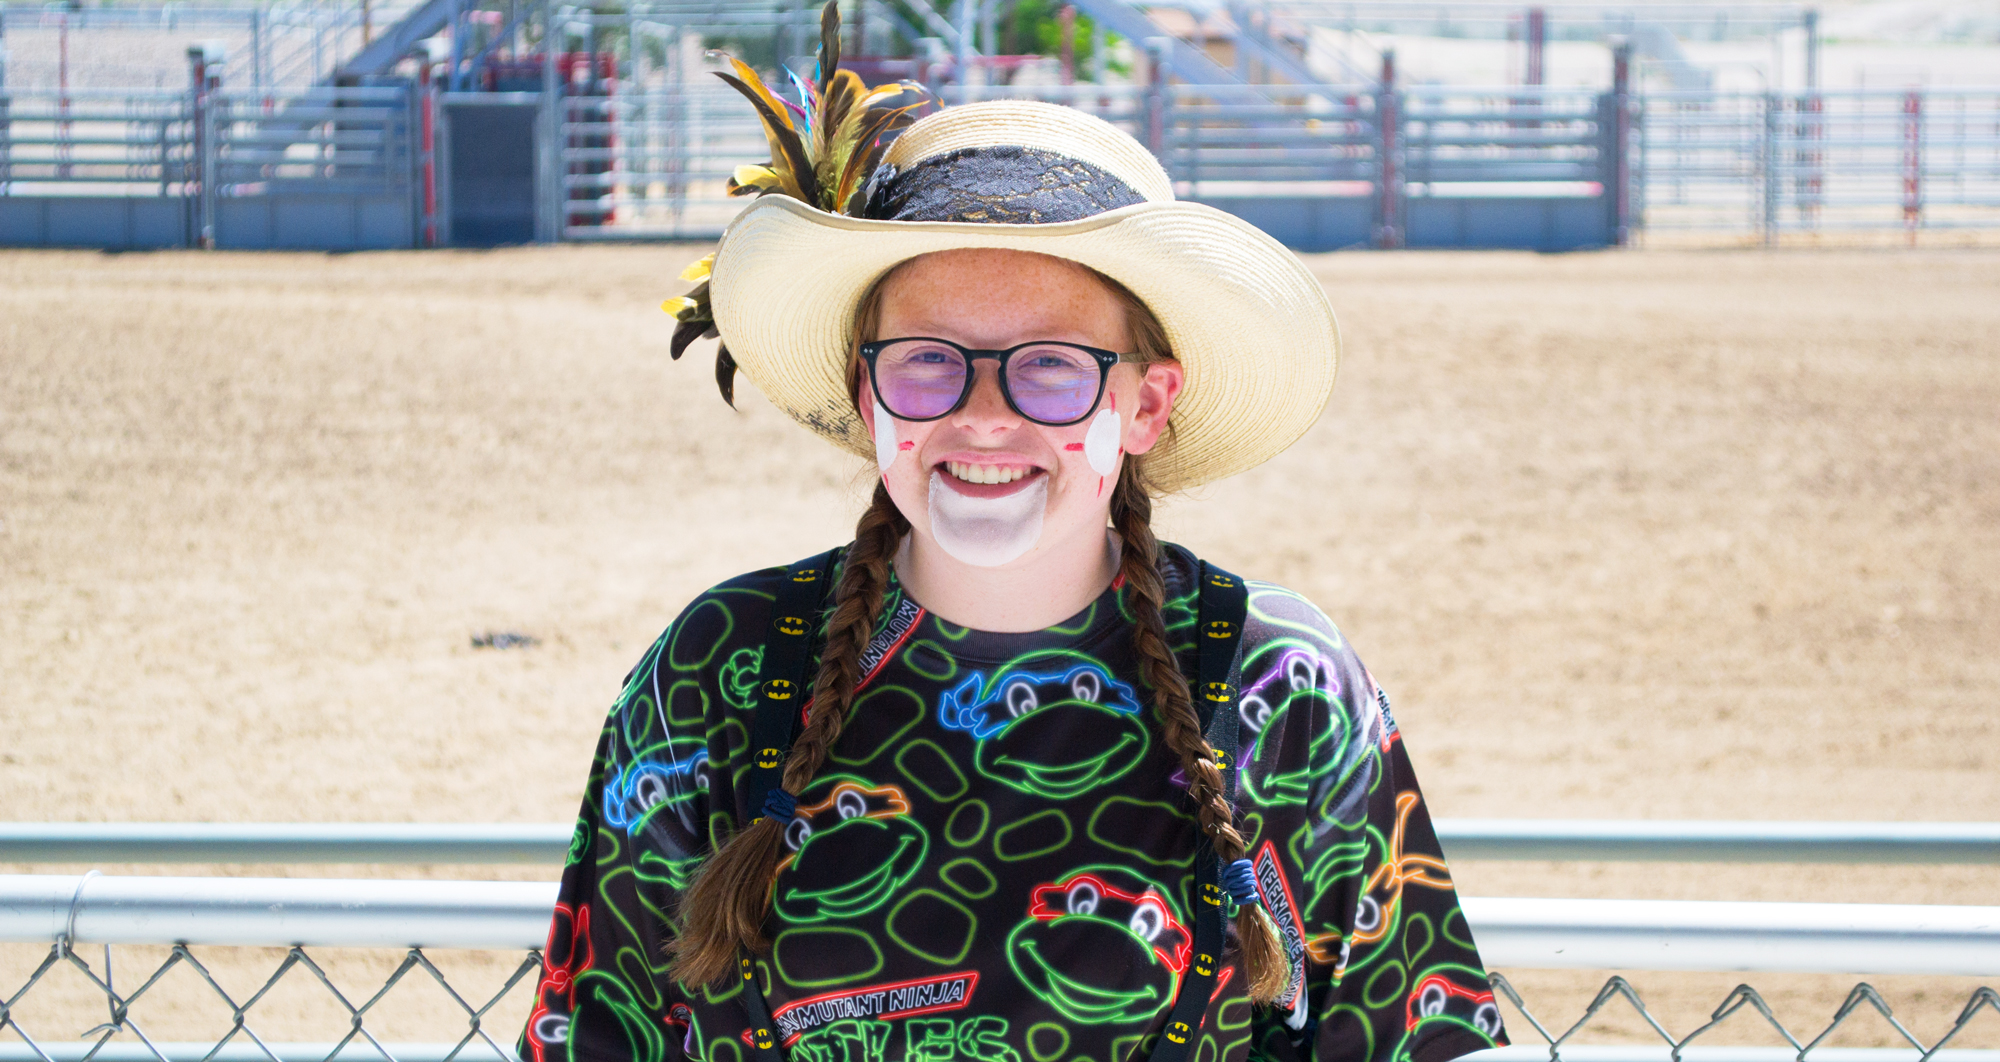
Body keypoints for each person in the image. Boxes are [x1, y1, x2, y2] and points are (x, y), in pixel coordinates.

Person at [522, 14, 1508, 1062]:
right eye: (926, 361)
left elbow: (1418, 1036)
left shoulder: (1279, 678)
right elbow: (594, 1032)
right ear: (869, 398)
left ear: (1144, 405)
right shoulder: (725, 663)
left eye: (1048, 366)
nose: (982, 416)